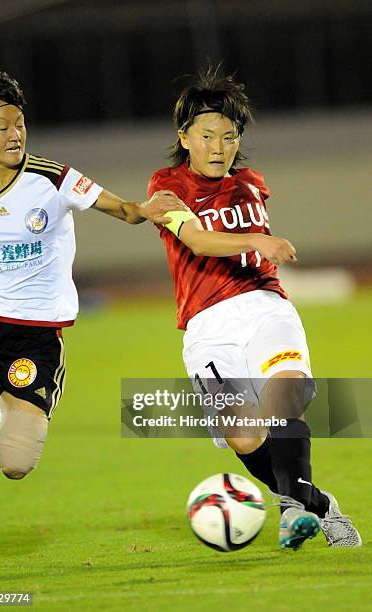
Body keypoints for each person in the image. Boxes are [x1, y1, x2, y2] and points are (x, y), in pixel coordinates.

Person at [147, 66, 361, 550]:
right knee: (244, 437)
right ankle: (315, 502)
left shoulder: (251, 182)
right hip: (208, 327)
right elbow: (198, 240)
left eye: (229, 136)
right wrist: (258, 239)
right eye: (207, 136)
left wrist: (259, 246)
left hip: (266, 307)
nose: (219, 147)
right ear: (185, 137)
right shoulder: (166, 186)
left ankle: (291, 513)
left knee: (284, 401)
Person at [0, 70, 186, 481]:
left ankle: (5, 404)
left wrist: (146, 208)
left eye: (20, 123)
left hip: (36, 334)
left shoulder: (53, 178)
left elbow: (122, 208)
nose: (15, 134)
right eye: (2, 126)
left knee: (14, 462)